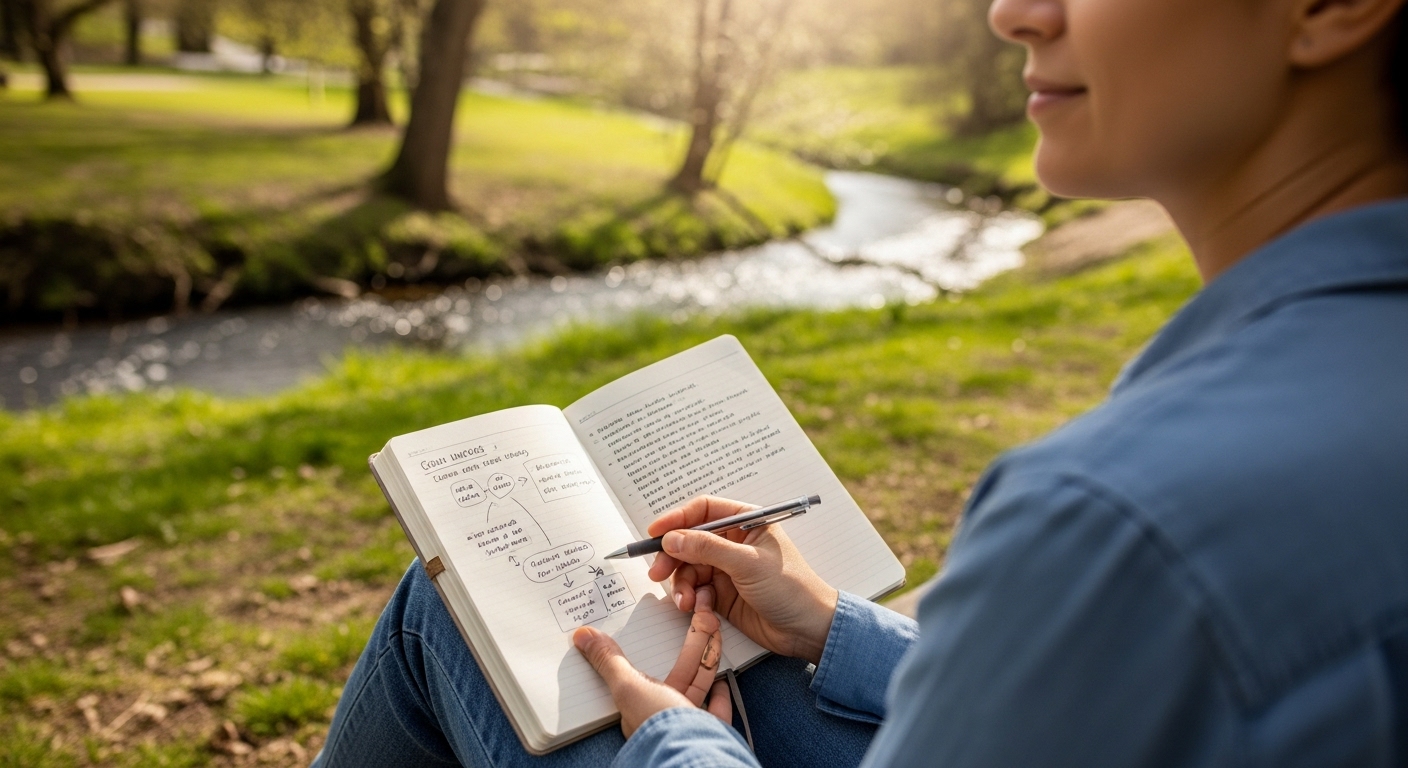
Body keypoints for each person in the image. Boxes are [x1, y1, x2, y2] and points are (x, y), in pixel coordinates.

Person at [313, 0, 1408, 763]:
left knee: (454, 620)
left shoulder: (1113, 522)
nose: (1012, 13)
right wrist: (831, 627)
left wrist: (678, 748)